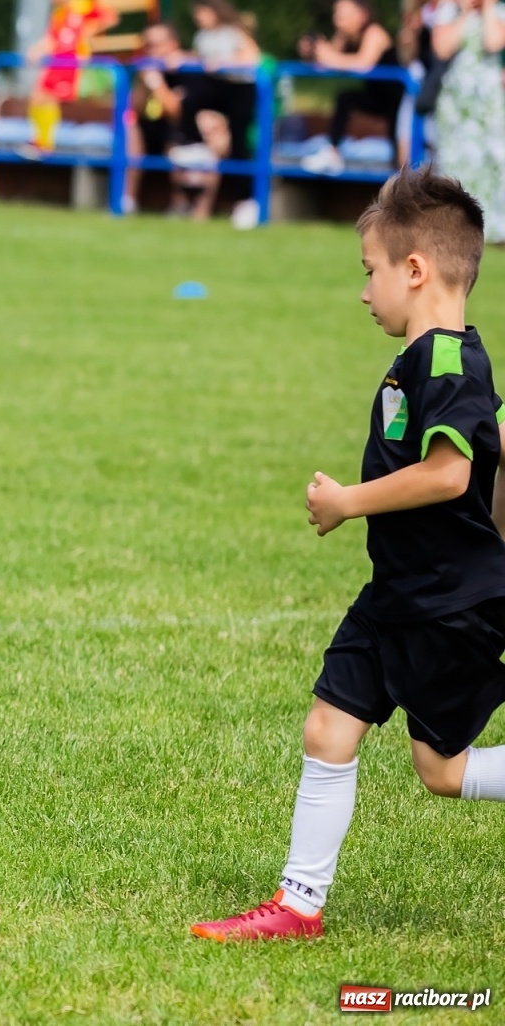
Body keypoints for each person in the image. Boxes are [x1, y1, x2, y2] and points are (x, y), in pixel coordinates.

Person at [191, 166, 505, 942]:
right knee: (329, 727)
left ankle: (299, 902)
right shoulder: (425, 361)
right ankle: (298, 904)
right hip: (396, 592)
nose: (365, 293)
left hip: (448, 606)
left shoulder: (446, 363)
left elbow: (451, 473)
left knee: (444, 772)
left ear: (415, 269)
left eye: (370, 272)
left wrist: (345, 503)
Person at [168, 0, 261, 222]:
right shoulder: (202, 37)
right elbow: (201, 60)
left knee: (238, 144)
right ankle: (192, 142)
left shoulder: (234, 32)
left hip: (240, 90)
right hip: (217, 88)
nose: (199, 18)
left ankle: (246, 202)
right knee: (189, 94)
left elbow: (252, 59)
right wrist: (181, 57)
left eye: (202, 13)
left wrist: (223, 63)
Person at [431, 0, 505, 243]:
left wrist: (488, 6)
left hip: (488, 102)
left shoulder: (499, 13)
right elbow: (442, 48)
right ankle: (457, 226)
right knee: (456, 162)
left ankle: (495, 228)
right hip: (457, 103)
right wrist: (463, 12)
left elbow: (493, 43)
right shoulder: (448, 11)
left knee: (494, 159)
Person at [299, 0, 401, 176]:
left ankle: (400, 174)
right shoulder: (346, 36)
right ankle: (333, 152)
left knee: (398, 139)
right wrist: (311, 52)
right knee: (345, 99)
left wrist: (328, 55)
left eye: (343, 14)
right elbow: (327, 62)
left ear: (362, 15)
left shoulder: (374, 32)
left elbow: (363, 64)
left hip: (397, 99)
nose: (338, 19)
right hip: (377, 97)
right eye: (336, 13)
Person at [23, 0, 116, 157]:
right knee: (37, 97)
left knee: (46, 98)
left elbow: (110, 18)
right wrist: (36, 50)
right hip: (56, 62)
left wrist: (89, 31)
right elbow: (52, 39)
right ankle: (41, 141)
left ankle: (45, 144)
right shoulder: (59, 13)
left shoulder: (82, 5)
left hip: (71, 63)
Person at [398, 0, 461, 166]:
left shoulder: (450, 8)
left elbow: (441, 49)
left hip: (437, 81)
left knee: (431, 135)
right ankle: (405, 176)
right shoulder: (427, 9)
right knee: (408, 130)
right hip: (421, 77)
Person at [124, 22, 189, 214]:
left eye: (157, 44)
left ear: (173, 44)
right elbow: (135, 108)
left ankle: (181, 204)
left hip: (179, 128)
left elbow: (176, 112)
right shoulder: (143, 68)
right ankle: (127, 201)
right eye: (148, 45)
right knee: (130, 132)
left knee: (176, 140)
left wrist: (156, 82)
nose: (151, 50)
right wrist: (145, 83)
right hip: (148, 126)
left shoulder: (186, 70)